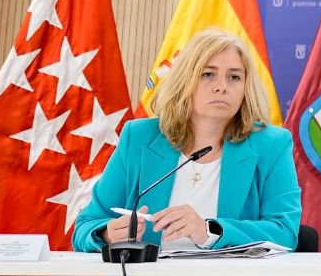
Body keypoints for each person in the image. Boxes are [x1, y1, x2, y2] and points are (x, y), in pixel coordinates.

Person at [73, 29, 301, 252]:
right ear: (185, 81)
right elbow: (86, 225)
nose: (222, 86)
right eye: (208, 74)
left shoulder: (271, 145)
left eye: (234, 77)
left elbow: (284, 232)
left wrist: (208, 231)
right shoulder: (139, 138)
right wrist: (107, 234)